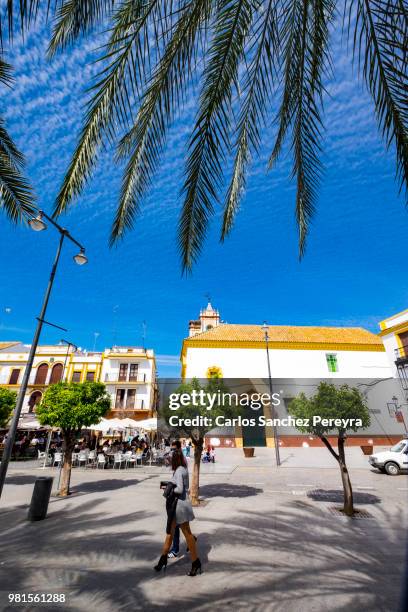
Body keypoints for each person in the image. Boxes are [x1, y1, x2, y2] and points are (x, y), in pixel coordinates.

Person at [154, 449, 201, 576]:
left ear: (175, 459)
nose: (169, 461)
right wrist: (169, 485)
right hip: (179, 506)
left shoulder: (179, 470)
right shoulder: (183, 468)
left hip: (179, 506)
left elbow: (180, 489)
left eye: (170, 459)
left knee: (188, 535)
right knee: (170, 533)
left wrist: (169, 489)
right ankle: (162, 560)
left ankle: (196, 562)